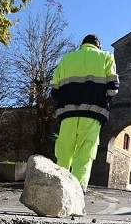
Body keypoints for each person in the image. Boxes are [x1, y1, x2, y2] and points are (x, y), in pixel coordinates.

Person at [50, 34, 119, 190]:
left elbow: (54, 91)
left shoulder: (66, 59)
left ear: (82, 45)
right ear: (98, 46)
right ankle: (78, 191)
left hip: (67, 115)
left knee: (64, 153)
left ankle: (58, 189)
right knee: (84, 154)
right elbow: (113, 89)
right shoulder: (107, 57)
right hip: (92, 114)